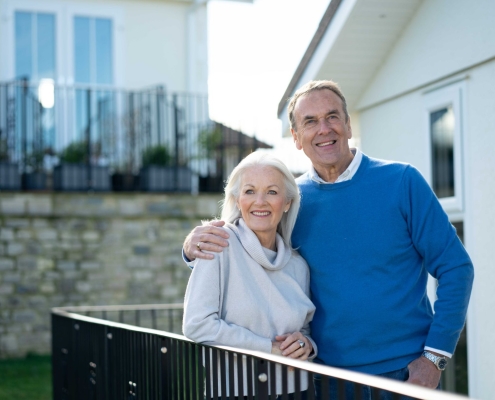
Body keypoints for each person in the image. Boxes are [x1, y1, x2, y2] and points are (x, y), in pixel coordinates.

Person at [183, 80, 474, 399]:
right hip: (323, 378)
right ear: (295, 137)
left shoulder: (402, 182)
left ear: (348, 125)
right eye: (310, 121)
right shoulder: (289, 200)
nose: (324, 129)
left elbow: (456, 268)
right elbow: (251, 247)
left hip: (403, 375)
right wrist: (191, 247)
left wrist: (435, 358)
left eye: (332, 116)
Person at [182, 151, 317, 399]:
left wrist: (306, 345)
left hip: (295, 390)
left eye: (272, 192)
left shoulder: (299, 265)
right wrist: (268, 349)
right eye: (250, 191)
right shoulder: (219, 244)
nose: (260, 201)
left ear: (287, 203)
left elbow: (306, 330)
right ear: (237, 199)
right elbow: (197, 325)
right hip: (236, 391)